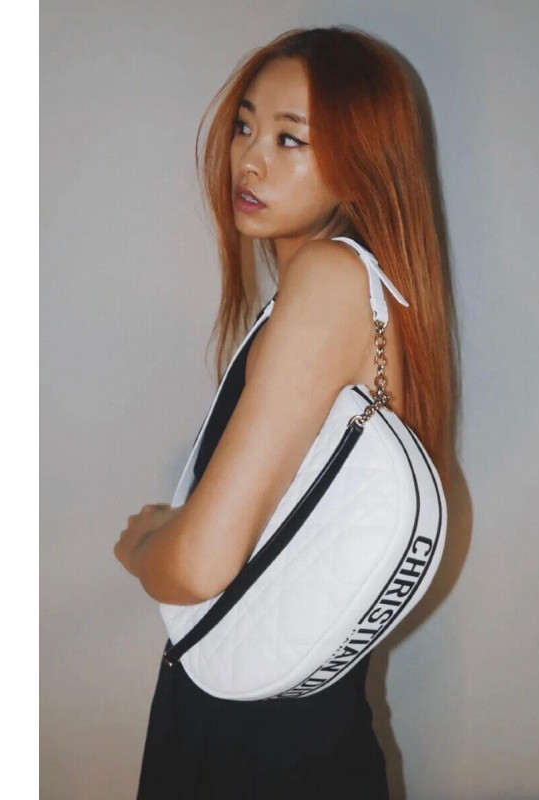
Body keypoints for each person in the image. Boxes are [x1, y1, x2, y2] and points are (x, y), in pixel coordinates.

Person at [113, 25, 454, 799]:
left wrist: (145, 545)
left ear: (363, 164)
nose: (250, 158)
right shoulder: (358, 290)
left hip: (253, 745)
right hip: (294, 725)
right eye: (245, 126)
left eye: (289, 138)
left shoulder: (330, 280)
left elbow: (199, 567)